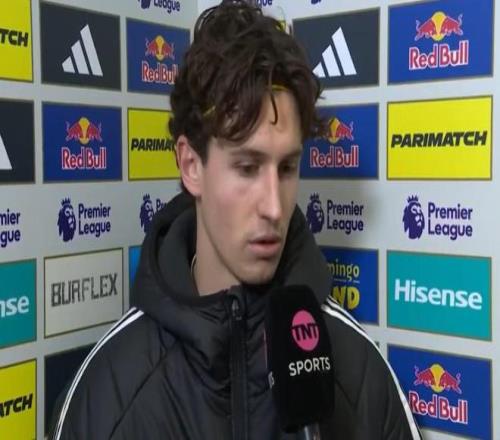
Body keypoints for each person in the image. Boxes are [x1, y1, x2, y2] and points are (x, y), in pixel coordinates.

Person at [50, 1, 421, 439]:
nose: (275, 207)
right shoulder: (110, 395)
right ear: (191, 165)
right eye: (247, 168)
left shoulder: (358, 374)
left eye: (287, 168)